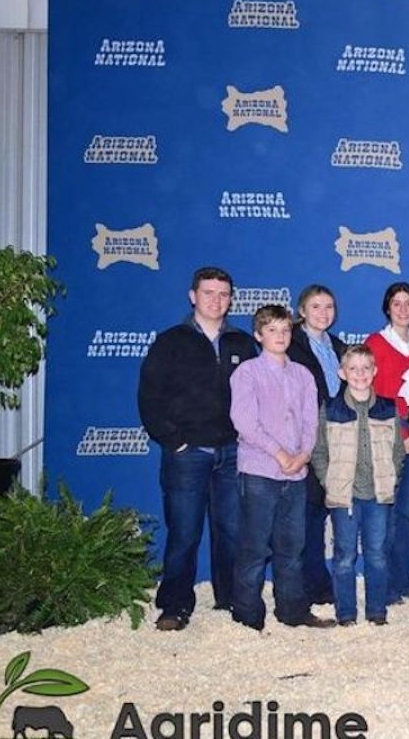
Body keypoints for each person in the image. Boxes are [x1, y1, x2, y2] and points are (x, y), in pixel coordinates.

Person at [138, 266, 256, 631]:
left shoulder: (241, 342)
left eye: (223, 294)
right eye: (208, 293)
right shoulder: (170, 341)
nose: (216, 300)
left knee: (233, 530)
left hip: (232, 451)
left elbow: (254, 395)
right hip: (187, 453)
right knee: (184, 532)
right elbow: (149, 398)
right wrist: (175, 441)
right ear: (193, 296)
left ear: (231, 299)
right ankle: (175, 605)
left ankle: (232, 597)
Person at [228, 305, 334, 630]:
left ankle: (292, 611)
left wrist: (302, 455)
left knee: (292, 547)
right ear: (258, 335)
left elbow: (309, 420)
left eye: (286, 330)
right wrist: (279, 454)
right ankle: (248, 615)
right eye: (272, 330)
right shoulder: (246, 372)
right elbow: (244, 421)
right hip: (260, 470)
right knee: (255, 546)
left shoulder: (303, 374)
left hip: (297, 472)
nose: (280, 336)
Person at [309, 344, 403, 626]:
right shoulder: (331, 408)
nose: (360, 374)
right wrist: (330, 481)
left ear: (374, 371)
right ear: (342, 373)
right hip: (345, 495)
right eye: (353, 368)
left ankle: (376, 612)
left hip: (377, 495)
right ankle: (346, 614)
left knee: (376, 555)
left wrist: (392, 477)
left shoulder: (388, 407)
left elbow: (398, 450)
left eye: (365, 368)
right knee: (344, 556)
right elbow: (319, 450)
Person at [365, 282, 409, 602]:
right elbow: (371, 396)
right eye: (396, 303)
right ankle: (387, 585)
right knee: (387, 514)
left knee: (406, 513)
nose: (403, 309)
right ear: (387, 308)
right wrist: (401, 436)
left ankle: (405, 579)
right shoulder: (375, 344)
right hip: (386, 434)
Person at [286, 284, 347, 607]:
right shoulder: (291, 344)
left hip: (336, 438)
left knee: (324, 509)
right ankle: (307, 584)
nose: (323, 313)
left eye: (329, 307)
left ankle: (319, 580)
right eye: (316, 307)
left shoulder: (337, 345)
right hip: (305, 439)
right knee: (307, 514)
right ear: (301, 311)